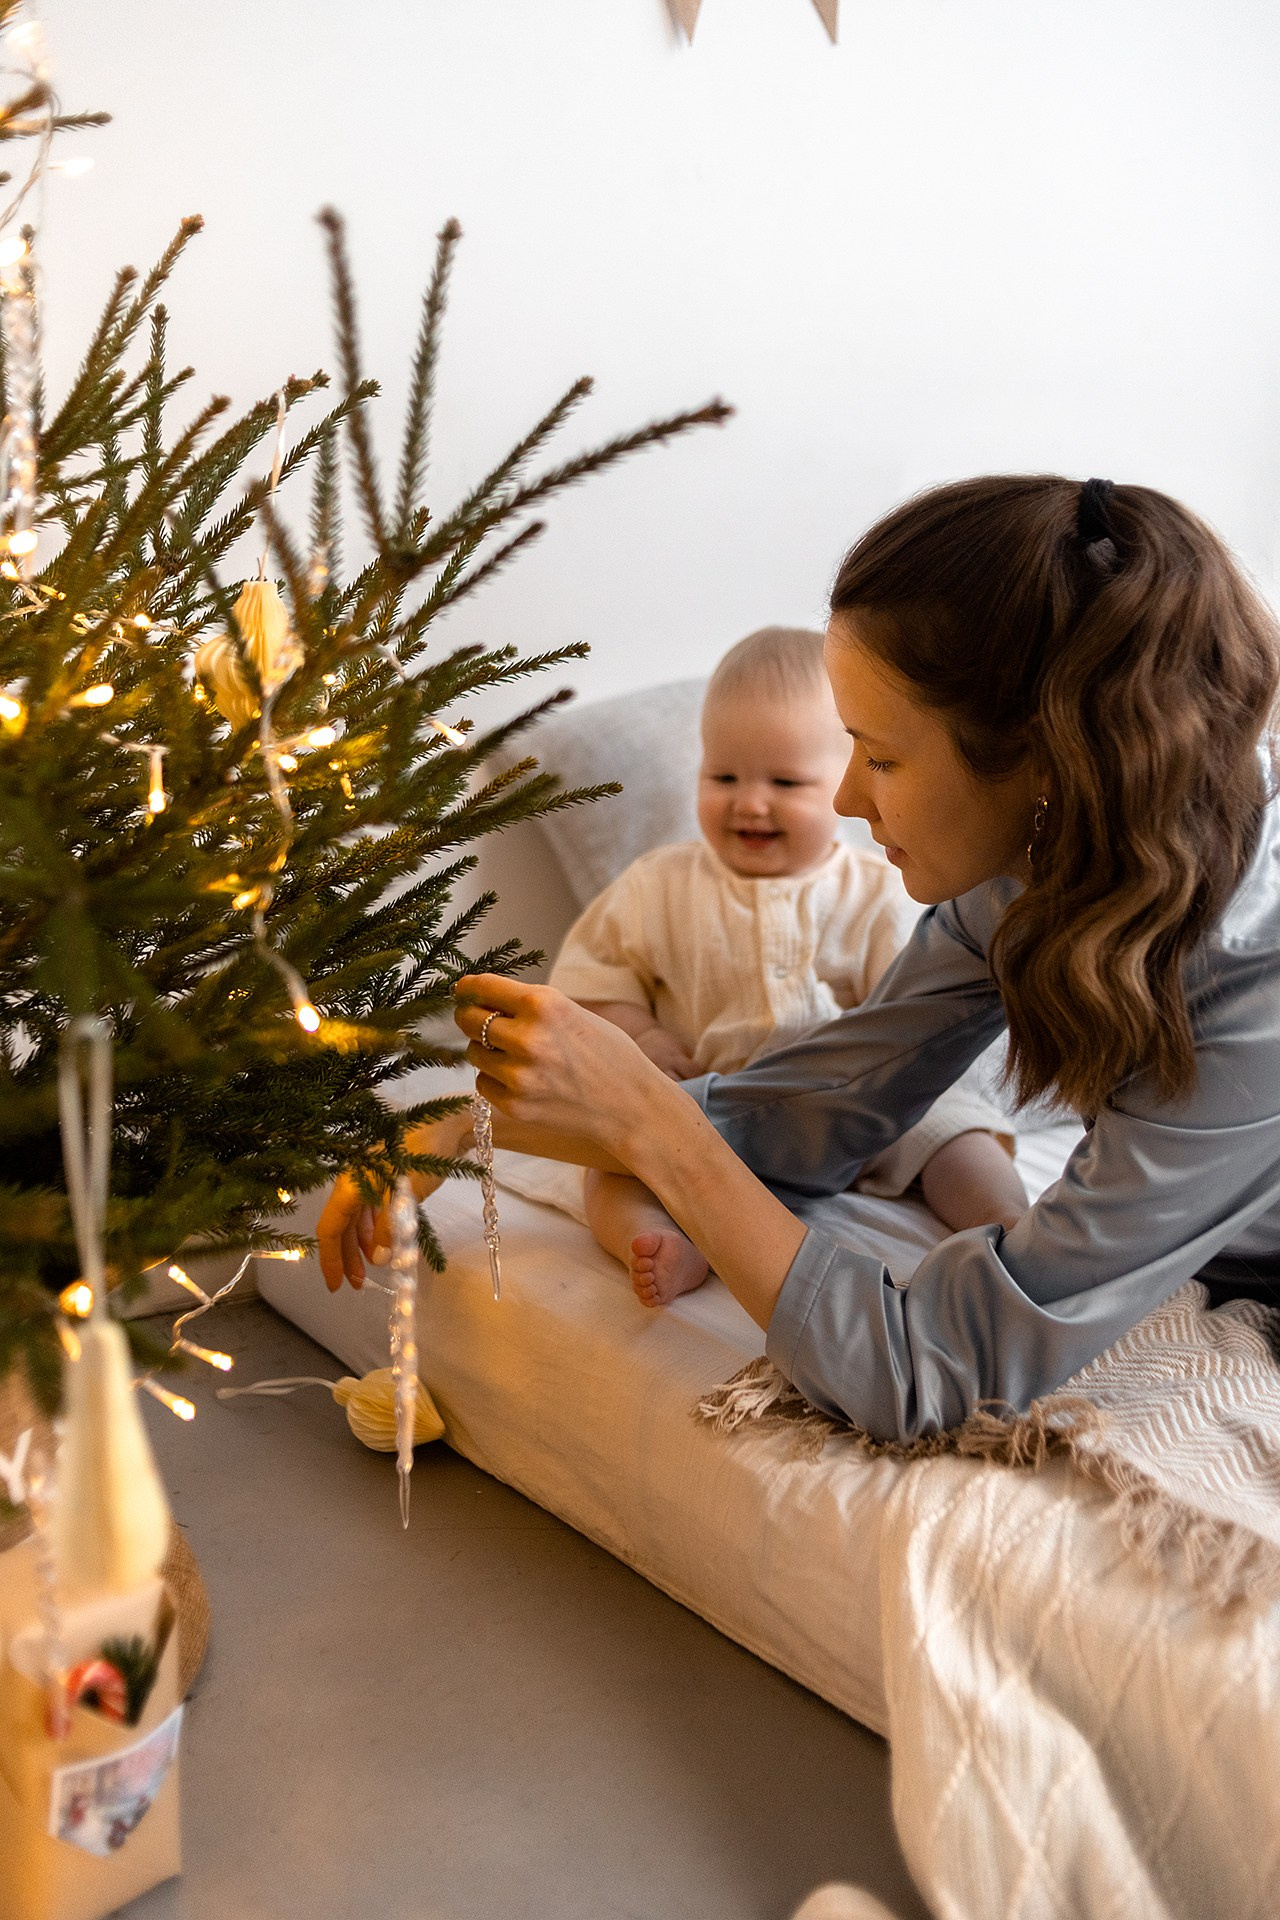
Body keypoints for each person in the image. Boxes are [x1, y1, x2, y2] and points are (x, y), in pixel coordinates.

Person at [318, 475, 1280, 1444]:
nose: (850, 799)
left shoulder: (1252, 994)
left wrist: (653, 1121)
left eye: (881, 755)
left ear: (1040, 760)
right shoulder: (1034, 858)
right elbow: (822, 1111)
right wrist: (468, 1121)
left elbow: (934, 1374)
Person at [549, 625, 1025, 1307]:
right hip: (713, 1119)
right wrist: (645, 1041)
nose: (749, 801)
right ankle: (664, 1244)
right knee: (611, 1164)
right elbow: (594, 983)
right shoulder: (660, 885)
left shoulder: (877, 893)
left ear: (848, 784)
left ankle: (1010, 1227)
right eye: (724, 777)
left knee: (957, 1130)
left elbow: (915, 1020)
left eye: (784, 781)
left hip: (866, 1119)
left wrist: (889, 1098)